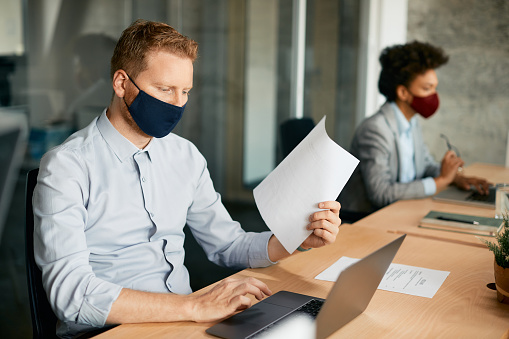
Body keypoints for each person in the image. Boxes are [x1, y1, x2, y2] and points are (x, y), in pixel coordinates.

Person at [33, 20, 342, 338]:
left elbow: (227, 244)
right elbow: (71, 296)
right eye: (164, 89)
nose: (177, 104)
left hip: (186, 321)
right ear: (121, 83)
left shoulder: (185, 156)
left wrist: (294, 241)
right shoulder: (67, 167)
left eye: (185, 92)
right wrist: (194, 306)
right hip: (110, 331)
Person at [339, 41, 490, 215]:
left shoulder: (411, 121)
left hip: (399, 211)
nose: (434, 95)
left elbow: (424, 166)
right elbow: (380, 194)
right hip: (364, 219)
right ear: (403, 93)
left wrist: (455, 178)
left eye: (435, 87)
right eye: (427, 88)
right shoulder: (375, 130)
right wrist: (441, 181)